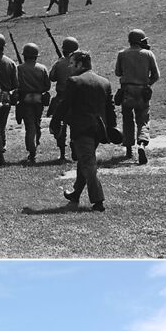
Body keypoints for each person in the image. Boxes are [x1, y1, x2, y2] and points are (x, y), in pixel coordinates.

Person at [61, 50, 117, 212]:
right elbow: (110, 108)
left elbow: (65, 104)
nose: (70, 67)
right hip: (99, 130)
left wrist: (55, 121)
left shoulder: (74, 81)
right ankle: (76, 193)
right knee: (84, 160)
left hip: (82, 129)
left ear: (80, 64)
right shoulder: (104, 82)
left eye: (72, 64)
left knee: (88, 163)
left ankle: (98, 201)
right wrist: (112, 127)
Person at [114, 28, 160, 165]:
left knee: (127, 119)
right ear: (140, 41)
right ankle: (141, 144)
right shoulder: (148, 54)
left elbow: (117, 73)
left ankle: (128, 149)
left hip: (127, 91)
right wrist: (147, 84)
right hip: (142, 92)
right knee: (143, 119)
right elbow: (156, 75)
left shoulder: (122, 54)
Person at [17, 43, 51, 164]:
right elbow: (47, 85)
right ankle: (35, 145)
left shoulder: (19, 68)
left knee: (29, 126)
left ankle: (32, 152)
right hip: (38, 100)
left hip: (25, 101)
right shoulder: (42, 68)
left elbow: (17, 84)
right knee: (37, 124)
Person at [0, 33, 18, 167]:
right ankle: (0, 150)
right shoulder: (10, 62)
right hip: (6, 97)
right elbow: (15, 84)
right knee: (1, 126)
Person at [48, 37, 79, 162]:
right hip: (76, 99)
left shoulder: (59, 63)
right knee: (75, 125)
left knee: (60, 126)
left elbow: (52, 77)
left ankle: (62, 153)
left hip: (61, 98)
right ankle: (75, 150)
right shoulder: (78, 63)